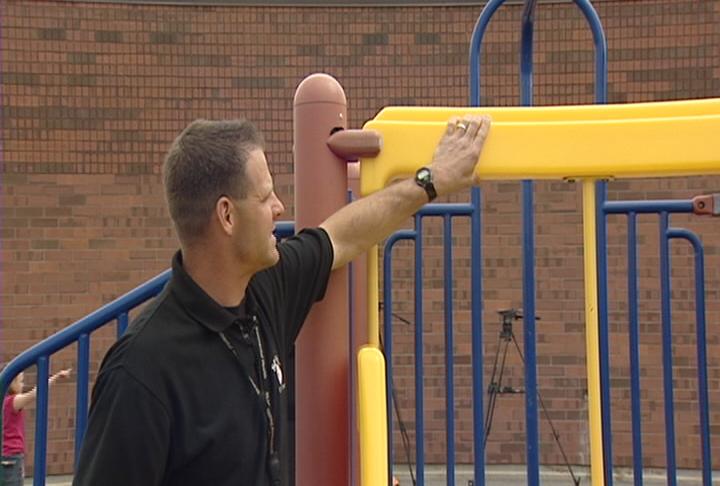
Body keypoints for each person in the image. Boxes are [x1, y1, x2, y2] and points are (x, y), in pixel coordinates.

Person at [73, 114, 491, 486]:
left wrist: (431, 179)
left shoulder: (263, 290)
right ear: (227, 215)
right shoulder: (141, 372)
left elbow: (343, 234)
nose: (279, 207)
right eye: (265, 196)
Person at [2, 368, 71, 486]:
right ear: (12, 384)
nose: (22, 385)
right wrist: (56, 377)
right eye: (21, 381)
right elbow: (36, 393)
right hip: (12, 456)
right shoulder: (12, 401)